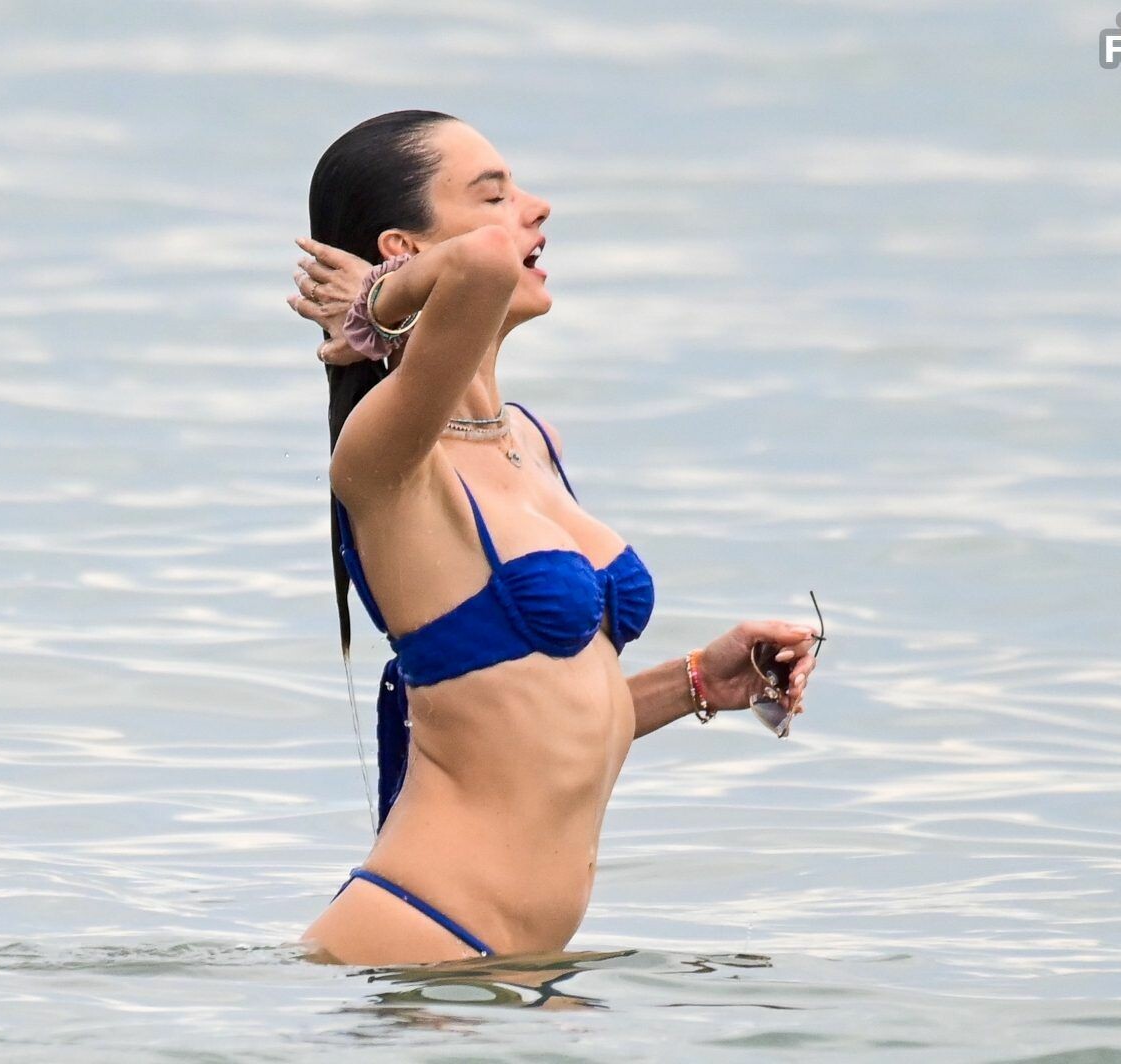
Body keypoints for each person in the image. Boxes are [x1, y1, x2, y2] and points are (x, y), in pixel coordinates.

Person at [286, 110, 820, 965]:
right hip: (422, 938)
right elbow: (485, 264)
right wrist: (374, 305)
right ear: (403, 250)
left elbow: (532, 722)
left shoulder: (531, 442)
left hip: (517, 968)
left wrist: (693, 681)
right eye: (493, 194)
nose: (535, 209)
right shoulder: (388, 457)